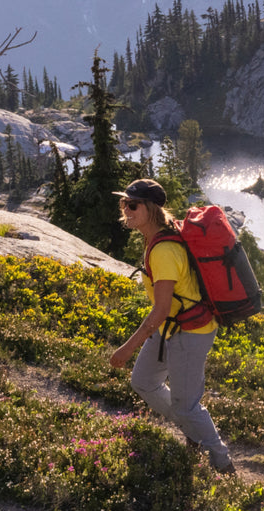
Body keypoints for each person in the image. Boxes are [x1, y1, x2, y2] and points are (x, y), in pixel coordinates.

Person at [106, 178, 235, 474]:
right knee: (144, 381)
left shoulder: (163, 250)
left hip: (192, 332)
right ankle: (192, 431)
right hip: (173, 328)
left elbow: (160, 310)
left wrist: (126, 349)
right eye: (124, 202)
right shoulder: (159, 235)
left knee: (186, 406)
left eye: (133, 204)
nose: (126, 208)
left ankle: (223, 463)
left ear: (151, 209)